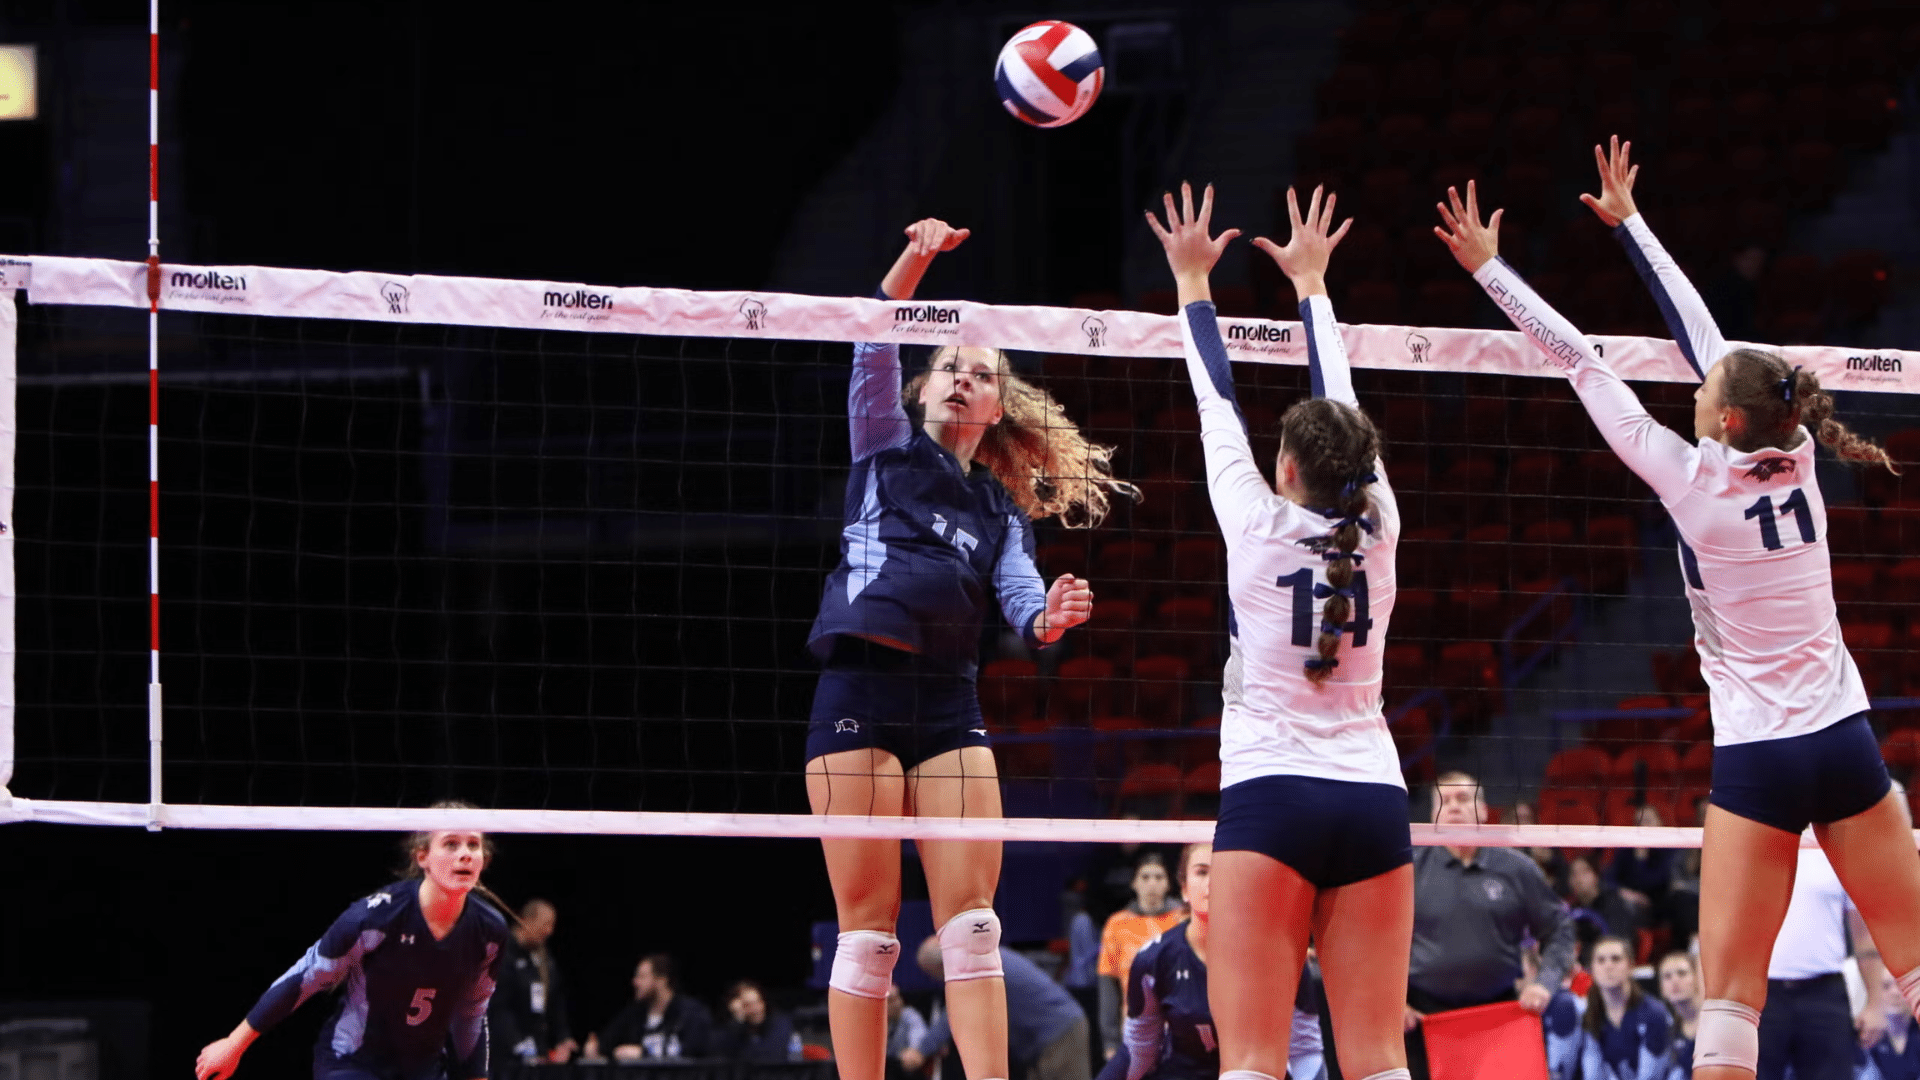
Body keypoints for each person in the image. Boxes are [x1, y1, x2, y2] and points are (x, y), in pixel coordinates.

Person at [1436, 138, 1920, 1080]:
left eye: (1705, 391)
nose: (1694, 387)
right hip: (1844, 741)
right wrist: (1633, 228)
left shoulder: (1691, 481)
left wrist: (1491, 268)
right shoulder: (1805, 455)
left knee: (1729, 1003)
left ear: (1728, 420)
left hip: (1759, 759)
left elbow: (1578, 361)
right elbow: (1710, 339)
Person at [808, 217, 1129, 1080]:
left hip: (950, 705)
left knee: (974, 924)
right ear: (922, 390)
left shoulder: (999, 512)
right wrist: (917, 259)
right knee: (869, 934)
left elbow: (1022, 597)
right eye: (950, 367)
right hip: (859, 695)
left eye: (981, 375)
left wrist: (1049, 620)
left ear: (995, 408)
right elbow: (871, 333)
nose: (963, 379)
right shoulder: (881, 446)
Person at [1145, 180, 1414, 1080]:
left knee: (1253, 1063)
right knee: (1378, 1064)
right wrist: (1313, 287)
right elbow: (1341, 403)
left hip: (1270, 800)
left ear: (1286, 467)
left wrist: (1192, 282)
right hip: (1374, 799)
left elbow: (1212, 392)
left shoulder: (1253, 523)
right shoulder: (1381, 527)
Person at [193, 811, 512, 1080]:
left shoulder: (490, 931)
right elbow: (305, 978)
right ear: (422, 857)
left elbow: (471, 1013)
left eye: (474, 844)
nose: (465, 853)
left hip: (423, 1070)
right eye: (451, 844)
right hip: (353, 1062)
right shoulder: (374, 919)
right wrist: (234, 1045)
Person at [1095, 844, 1328, 1080]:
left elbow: (1304, 1050)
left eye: (1222, 871)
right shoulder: (1155, 959)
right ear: (1184, 888)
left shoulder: (1280, 953)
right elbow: (1139, 1051)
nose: (1212, 882)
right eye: (1202, 872)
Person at [1407, 772, 1576, 1079]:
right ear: (1432, 815)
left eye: (1463, 799)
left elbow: (1559, 927)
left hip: (1498, 1014)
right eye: (1444, 801)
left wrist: (1545, 982)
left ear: (1484, 811)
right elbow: (1376, 944)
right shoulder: (1409, 871)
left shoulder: (1516, 867)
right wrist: (1393, 1004)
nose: (1454, 807)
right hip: (1423, 1019)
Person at [1758, 834, 1892, 1080]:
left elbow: (1864, 936)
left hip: (1824, 994)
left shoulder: (1840, 847)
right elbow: (1717, 933)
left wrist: (1876, 1004)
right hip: (1760, 994)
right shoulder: (1750, 842)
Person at [913, 937, 1092, 1080]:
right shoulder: (981, 956)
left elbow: (956, 1014)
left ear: (941, 965)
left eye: (934, 975)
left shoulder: (975, 965)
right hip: (1053, 1034)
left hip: (1058, 1033)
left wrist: (920, 1051)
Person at [1098, 853, 1187, 1059]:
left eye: (1159, 877)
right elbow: (1108, 986)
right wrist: (1110, 1041)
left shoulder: (1184, 921)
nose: (1152, 884)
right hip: (1135, 1031)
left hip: (1181, 1030)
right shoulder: (1117, 924)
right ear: (1134, 883)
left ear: (1168, 883)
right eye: (1145, 877)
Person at [1564, 936, 1675, 1080]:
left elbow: (1652, 1077)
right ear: (1592, 970)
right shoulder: (1592, 1013)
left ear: (1630, 966)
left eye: (1616, 959)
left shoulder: (1654, 1013)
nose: (1608, 966)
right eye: (1601, 960)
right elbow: (1593, 1074)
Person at [491, 898, 578, 1068]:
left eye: (552, 925)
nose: (549, 931)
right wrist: (518, 1044)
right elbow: (497, 1008)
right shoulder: (502, 953)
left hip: (536, 1055)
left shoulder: (544, 959)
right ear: (526, 921)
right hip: (504, 1057)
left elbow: (555, 1000)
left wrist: (563, 1037)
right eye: (545, 924)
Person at [587, 954, 714, 1061]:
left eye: (642, 977)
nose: (635, 982)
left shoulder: (690, 1012)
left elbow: (694, 1053)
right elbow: (606, 1043)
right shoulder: (634, 1014)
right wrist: (595, 1048)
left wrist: (644, 1054)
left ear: (662, 979)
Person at [1569, 855, 1649, 946]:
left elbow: (1619, 943)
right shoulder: (1571, 909)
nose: (1578, 879)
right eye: (1573, 873)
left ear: (1596, 875)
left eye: (1585, 872)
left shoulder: (1614, 903)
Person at [717, 979, 798, 1063]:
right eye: (748, 1005)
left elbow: (771, 1056)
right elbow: (725, 1057)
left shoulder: (780, 1023)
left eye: (758, 1002)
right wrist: (738, 1020)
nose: (756, 1009)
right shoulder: (734, 1031)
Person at [1860, 969, 1920, 1080]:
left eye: (1901, 986)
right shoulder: (1862, 1037)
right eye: (1886, 986)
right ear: (1874, 992)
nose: (1895, 993)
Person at [1660, 951, 1702, 1079]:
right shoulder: (1671, 1031)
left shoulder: (1715, 1021)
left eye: (1682, 973)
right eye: (1667, 976)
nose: (1675, 981)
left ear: (1697, 979)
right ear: (1662, 989)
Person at [888, 985, 932, 1080]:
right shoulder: (873, 1023)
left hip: (903, 1069)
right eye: (890, 1000)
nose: (897, 1003)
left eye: (898, 997)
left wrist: (914, 1050)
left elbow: (919, 1032)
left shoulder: (909, 1014)